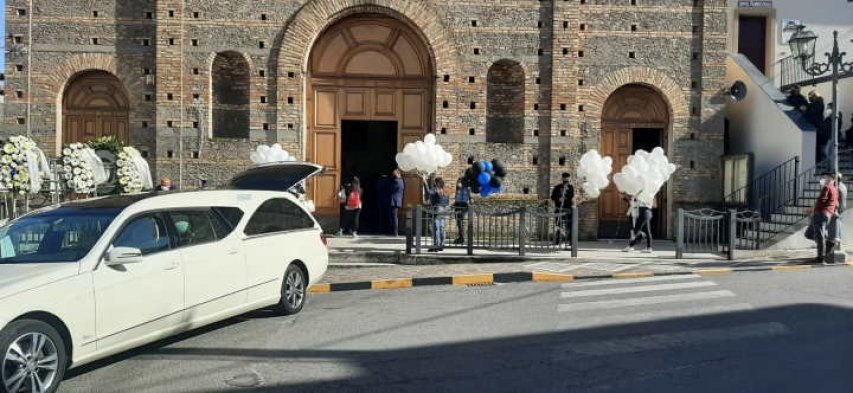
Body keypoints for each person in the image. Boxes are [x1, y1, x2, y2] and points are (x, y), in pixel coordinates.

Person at [809, 173, 839, 264]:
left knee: (819, 235)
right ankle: (828, 246)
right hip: (828, 214)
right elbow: (836, 204)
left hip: (821, 213)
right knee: (820, 234)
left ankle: (821, 257)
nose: (824, 179)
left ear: (830, 179)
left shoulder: (827, 187)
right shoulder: (835, 189)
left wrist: (814, 210)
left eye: (826, 178)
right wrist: (832, 211)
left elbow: (822, 200)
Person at [827, 173, 847, 264]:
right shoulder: (842, 186)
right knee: (836, 230)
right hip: (840, 212)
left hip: (837, 212)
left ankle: (833, 250)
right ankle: (833, 248)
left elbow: (841, 201)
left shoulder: (839, 188)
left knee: (835, 232)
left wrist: (836, 212)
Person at [550, 173, 575, 244]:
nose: (566, 182)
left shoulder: (571, 187)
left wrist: (565, 197)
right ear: (562, 179)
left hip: (568, 209)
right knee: (558, 225)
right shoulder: (557, 187)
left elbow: (571, 196)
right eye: (565, 180)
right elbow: (552, 197)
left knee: (569, 225)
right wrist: (558, 199)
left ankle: (570, 241)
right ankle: (558, 240)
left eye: (567, 180)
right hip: (558, 208)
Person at [426, 177, 450, 252]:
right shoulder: (446, 190)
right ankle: (441, 245)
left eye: (435, 182)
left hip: (436, 210)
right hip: (444, 210)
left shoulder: (435, 189)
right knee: (441, 228)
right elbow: (447, 201)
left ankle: (436, 245)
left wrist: (425, 183)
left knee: (435, 228)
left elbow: (429, 192)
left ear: (436, 183)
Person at [453, 177, 471, 244]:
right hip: (457, 206)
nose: (458, 183)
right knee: (458, 223)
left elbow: (469, 198)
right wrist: (454, 204)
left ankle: (462, 237)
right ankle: (461, 237)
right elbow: (457, 198)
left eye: (459, 182)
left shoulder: (466, 188)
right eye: (458, 182)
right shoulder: (457, 189)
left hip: (463, 206)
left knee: (461, 222)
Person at [388, 169, 405, 236]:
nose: (393, 176)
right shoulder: (401, 181)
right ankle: (395, 231)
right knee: (395, 216)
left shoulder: (395, 181)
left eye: (394, 175)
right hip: (398, 200)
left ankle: (395, 232)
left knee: (394, 217)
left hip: (394, 201)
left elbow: (390, 188)